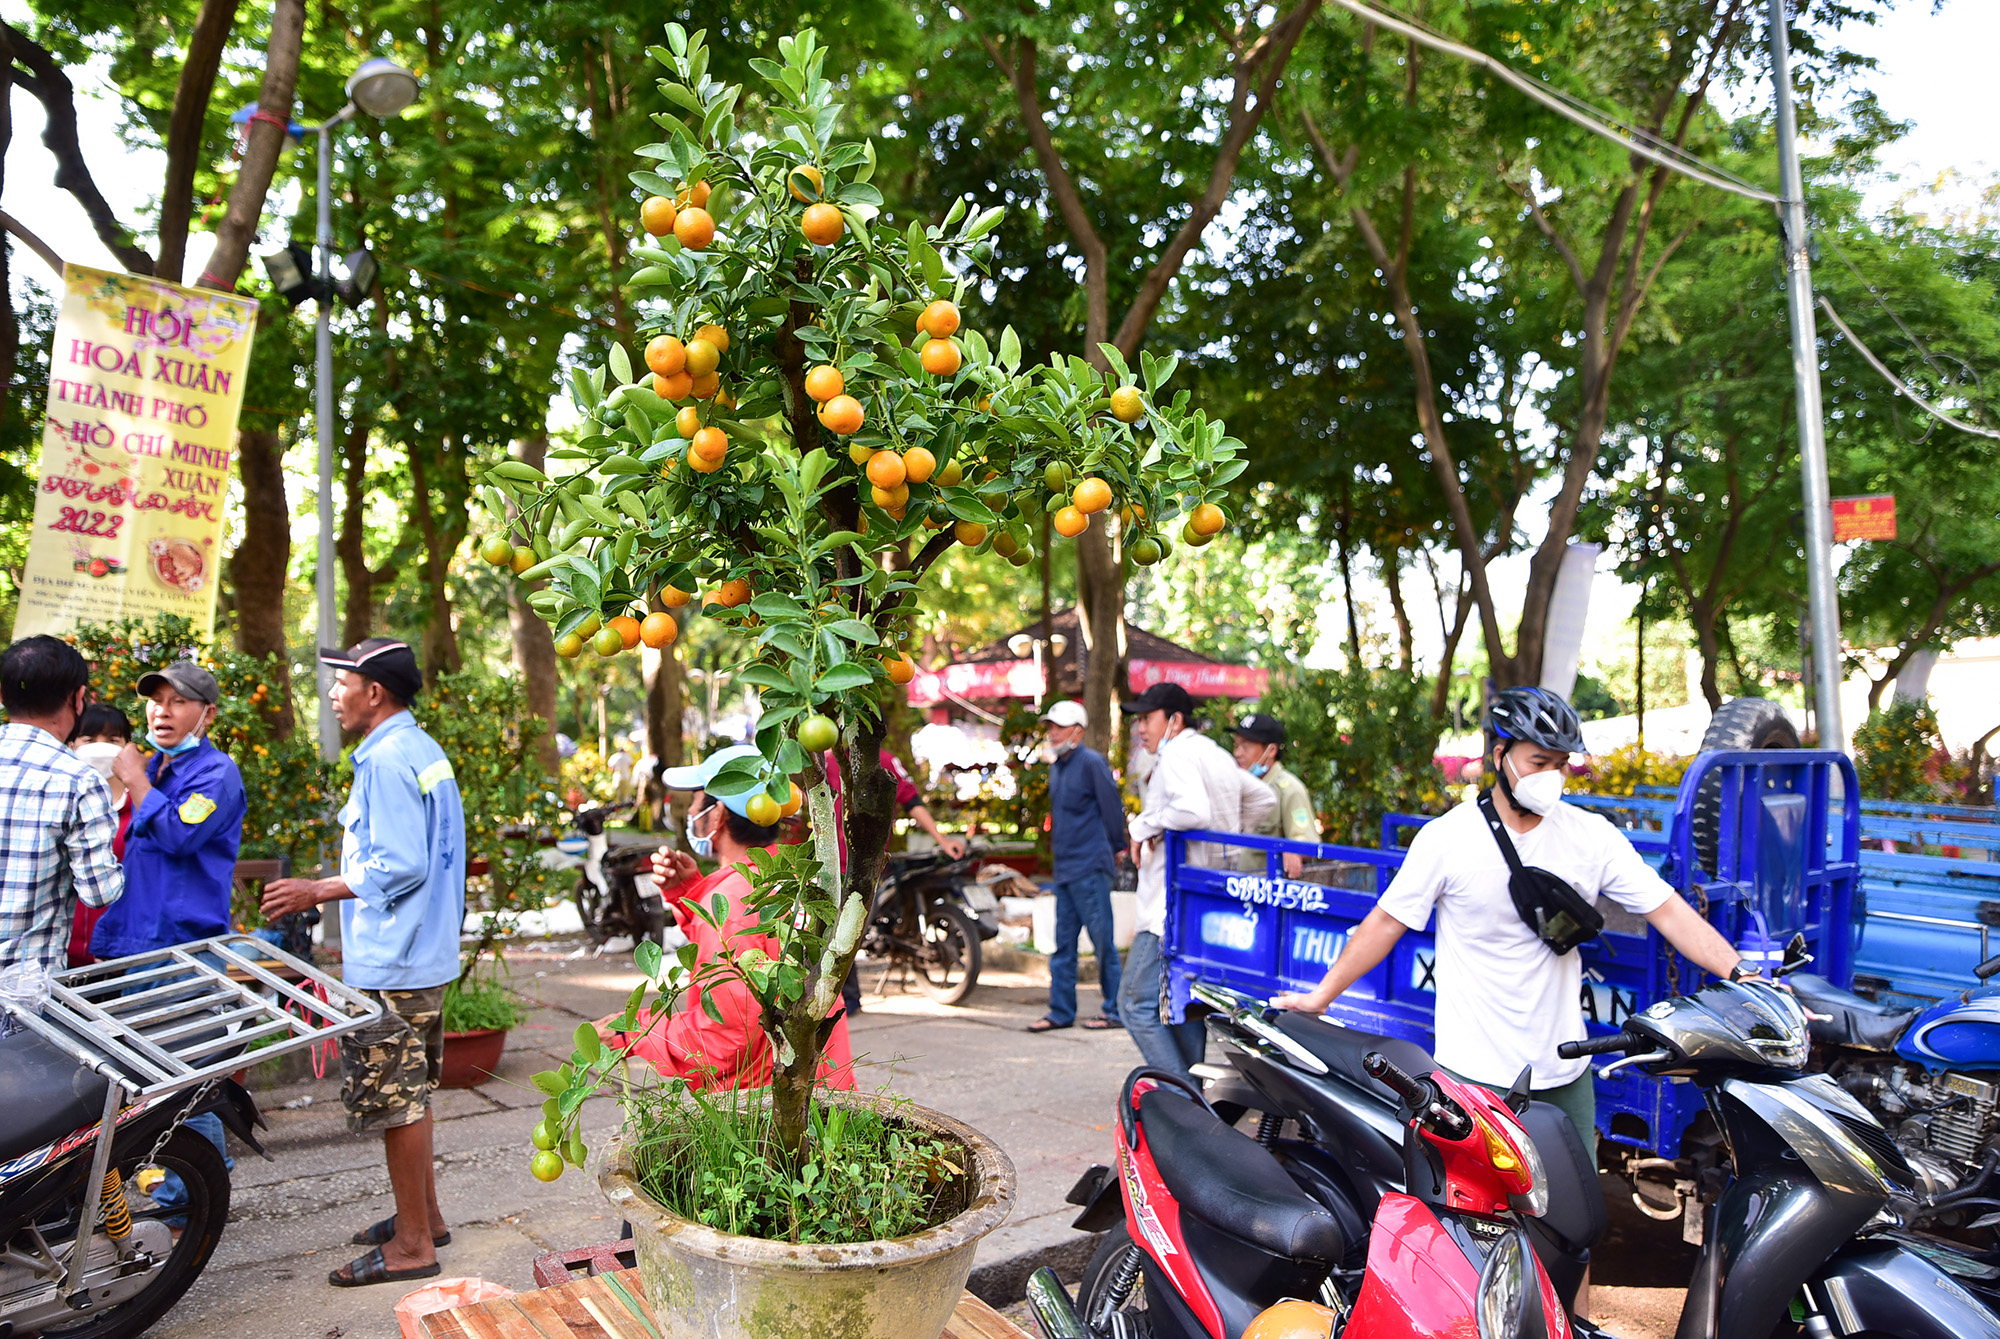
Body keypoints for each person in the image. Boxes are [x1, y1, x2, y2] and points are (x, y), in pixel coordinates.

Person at [1273, 686, 1754, 1152]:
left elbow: (1667, 909)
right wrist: (1321, 997)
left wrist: (1742, 975)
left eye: (1561, 764)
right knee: (1476, 1225)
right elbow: (1385, 924)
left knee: (1574, 1221)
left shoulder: (1591, 837)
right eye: (1538, 763)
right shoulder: (1449, 838)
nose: (1552, 776)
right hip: (1474, 1077)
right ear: (1500, 756)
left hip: (1566, 1074)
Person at [260, 638, 465, 1290]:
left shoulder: (384, 760)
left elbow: (400, 862)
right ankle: (424, 1217)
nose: (332, 693)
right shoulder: (421, 748)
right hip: (423, 953)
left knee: (396, 1100)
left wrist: (316, 889)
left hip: (395, 960)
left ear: (374, 692)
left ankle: (411, 1246)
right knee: (415, 1091)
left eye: (341, 681)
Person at [598, 745, 855, 1089]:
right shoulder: (792, 877)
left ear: (717, 813)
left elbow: (724, 1040)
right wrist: (689, 892)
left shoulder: (732, 901)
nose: (690, 810)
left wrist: (634, 1029)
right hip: (823, 1095)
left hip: (768, 1117)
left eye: (695, 800)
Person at [1120, 682, 1275, 1077]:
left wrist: (1143, 826)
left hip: (1167, 907)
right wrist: (1230, 836)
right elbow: (1263, 799)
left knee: (1134, 1003)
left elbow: (1191, 811)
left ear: (1174, 720)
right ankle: (1198, 1098)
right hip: (1207, 900)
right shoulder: (1215, 754)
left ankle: (1180, 1095)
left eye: (1146, 719)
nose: (1141, 729)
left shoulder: (1175, 755)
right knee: (1183, 1005)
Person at [89, 662, 247, 960]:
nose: (163, 711)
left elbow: (179, 835)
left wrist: (135, 781)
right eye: (156, 701)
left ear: (208, 714)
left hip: (179, 951)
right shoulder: (151, 769)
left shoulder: (216, 772)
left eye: (178, 701)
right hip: (131, 942)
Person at [0, 636, 124, 976]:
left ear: (2, 694)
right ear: (78, 698)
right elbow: (99, 892)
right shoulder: (80, 781)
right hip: (22, 991)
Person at [1029, 700, 1128, 1034]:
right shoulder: (1058, 766)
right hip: (1066, 868)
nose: (1052, 733)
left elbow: (1112, 808)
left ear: (1078, 730)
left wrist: (1118, 846)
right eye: (1050, 727)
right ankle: (1060, 1011)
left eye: (1059, 726)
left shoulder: (1092, 762)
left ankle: (1114, 1009)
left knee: (1103, 943)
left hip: (1091, 865)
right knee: (1063, 945)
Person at [67, 704, 135, 967]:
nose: (100, 746)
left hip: (118, 952)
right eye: (90, 739)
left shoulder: (141, 806)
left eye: (111, 740)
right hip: (62, 950)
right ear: (72, 744)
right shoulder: (62, 802)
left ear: (126, 746)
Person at [1229, 714, 1320, 879]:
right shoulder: (1235, 784)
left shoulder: (1289, 789)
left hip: (1264, 892)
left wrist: (1293, 850)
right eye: (1236, 746)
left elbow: (1306, 840)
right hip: (1233, 886)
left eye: (1246, 746)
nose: (1238, 753)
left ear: (1271, 750)